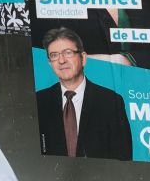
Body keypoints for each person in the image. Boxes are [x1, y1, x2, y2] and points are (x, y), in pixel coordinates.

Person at [35, 28, 132, 161]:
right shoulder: (39, 101)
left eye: (68, 53)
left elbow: (123, 159)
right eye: (54, 55)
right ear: (49, 63)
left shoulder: (111, 101)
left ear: (83, 58)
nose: (61, 60)